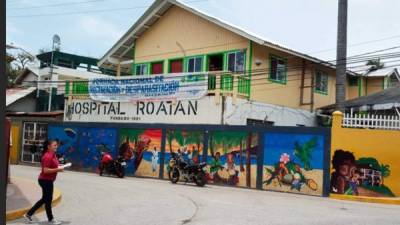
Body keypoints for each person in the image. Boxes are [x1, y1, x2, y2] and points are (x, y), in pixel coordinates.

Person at [24, 139, 63, 224]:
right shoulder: (47, 156)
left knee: (45, 199)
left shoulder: (53, 155)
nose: (56, 146)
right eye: (54, 145)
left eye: (57, 145)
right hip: (45, 180)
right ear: (48, 147)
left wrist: (60, 166)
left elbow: (54, 165)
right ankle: (51, 219)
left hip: (48, 180)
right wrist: (58, 169)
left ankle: (28, 214)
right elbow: (45, 170)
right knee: (48, 200)